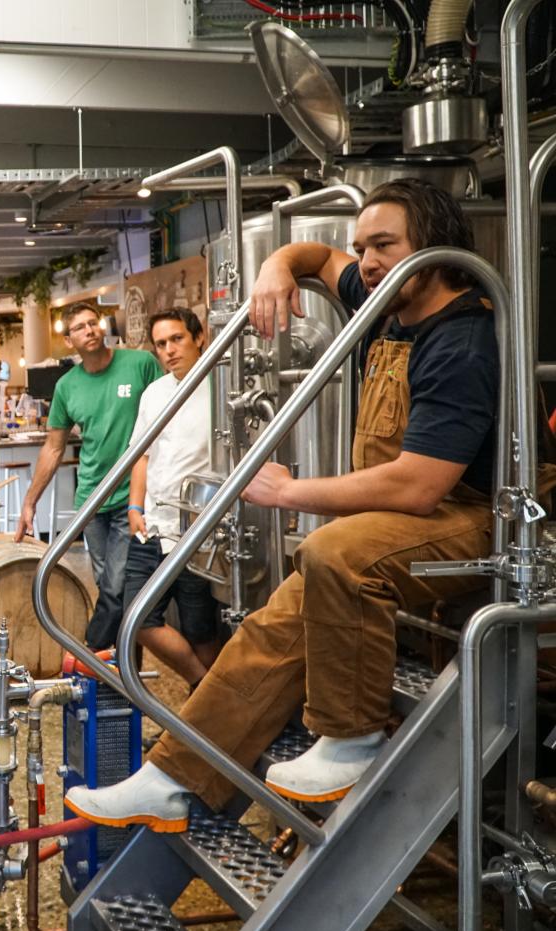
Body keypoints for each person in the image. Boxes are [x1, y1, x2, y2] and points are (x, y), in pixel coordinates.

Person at [65, 178, 553, 831]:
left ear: (432, 249)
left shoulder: (462, 339)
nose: (367, 261)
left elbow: (418, 485)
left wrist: (291, 493)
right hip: (407, 517)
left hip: (482, 515)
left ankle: (350, 737)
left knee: (334, 552)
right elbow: (316, 261)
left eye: (385, 245)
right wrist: (274, 267)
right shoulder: (388, 298)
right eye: (363, 246)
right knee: (271, 625)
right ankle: (175, 776)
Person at [15, 303, 161, 647]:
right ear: (69, 341)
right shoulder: (67, 386)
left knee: (114, 587)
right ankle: (124, 675)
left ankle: (87, 658)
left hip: (132, 497)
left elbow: (170, 413)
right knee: (111, 589)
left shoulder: (140, 364)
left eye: (93, 323)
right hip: (91, 503)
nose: (89, 330)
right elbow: (53, 449)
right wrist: (29, 503)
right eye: (80, 327)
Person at [117, 309, 222, 686]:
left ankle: (201, 718)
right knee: (138, 619)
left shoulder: (220, 388)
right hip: (152, 525)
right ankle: (205, 692)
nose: (169, 350)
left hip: (199, 528)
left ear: (199, 337)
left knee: (201, 631)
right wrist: (134, 507)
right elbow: (142, 456)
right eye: (161, 344)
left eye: (177, 339)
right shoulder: (154, 393)